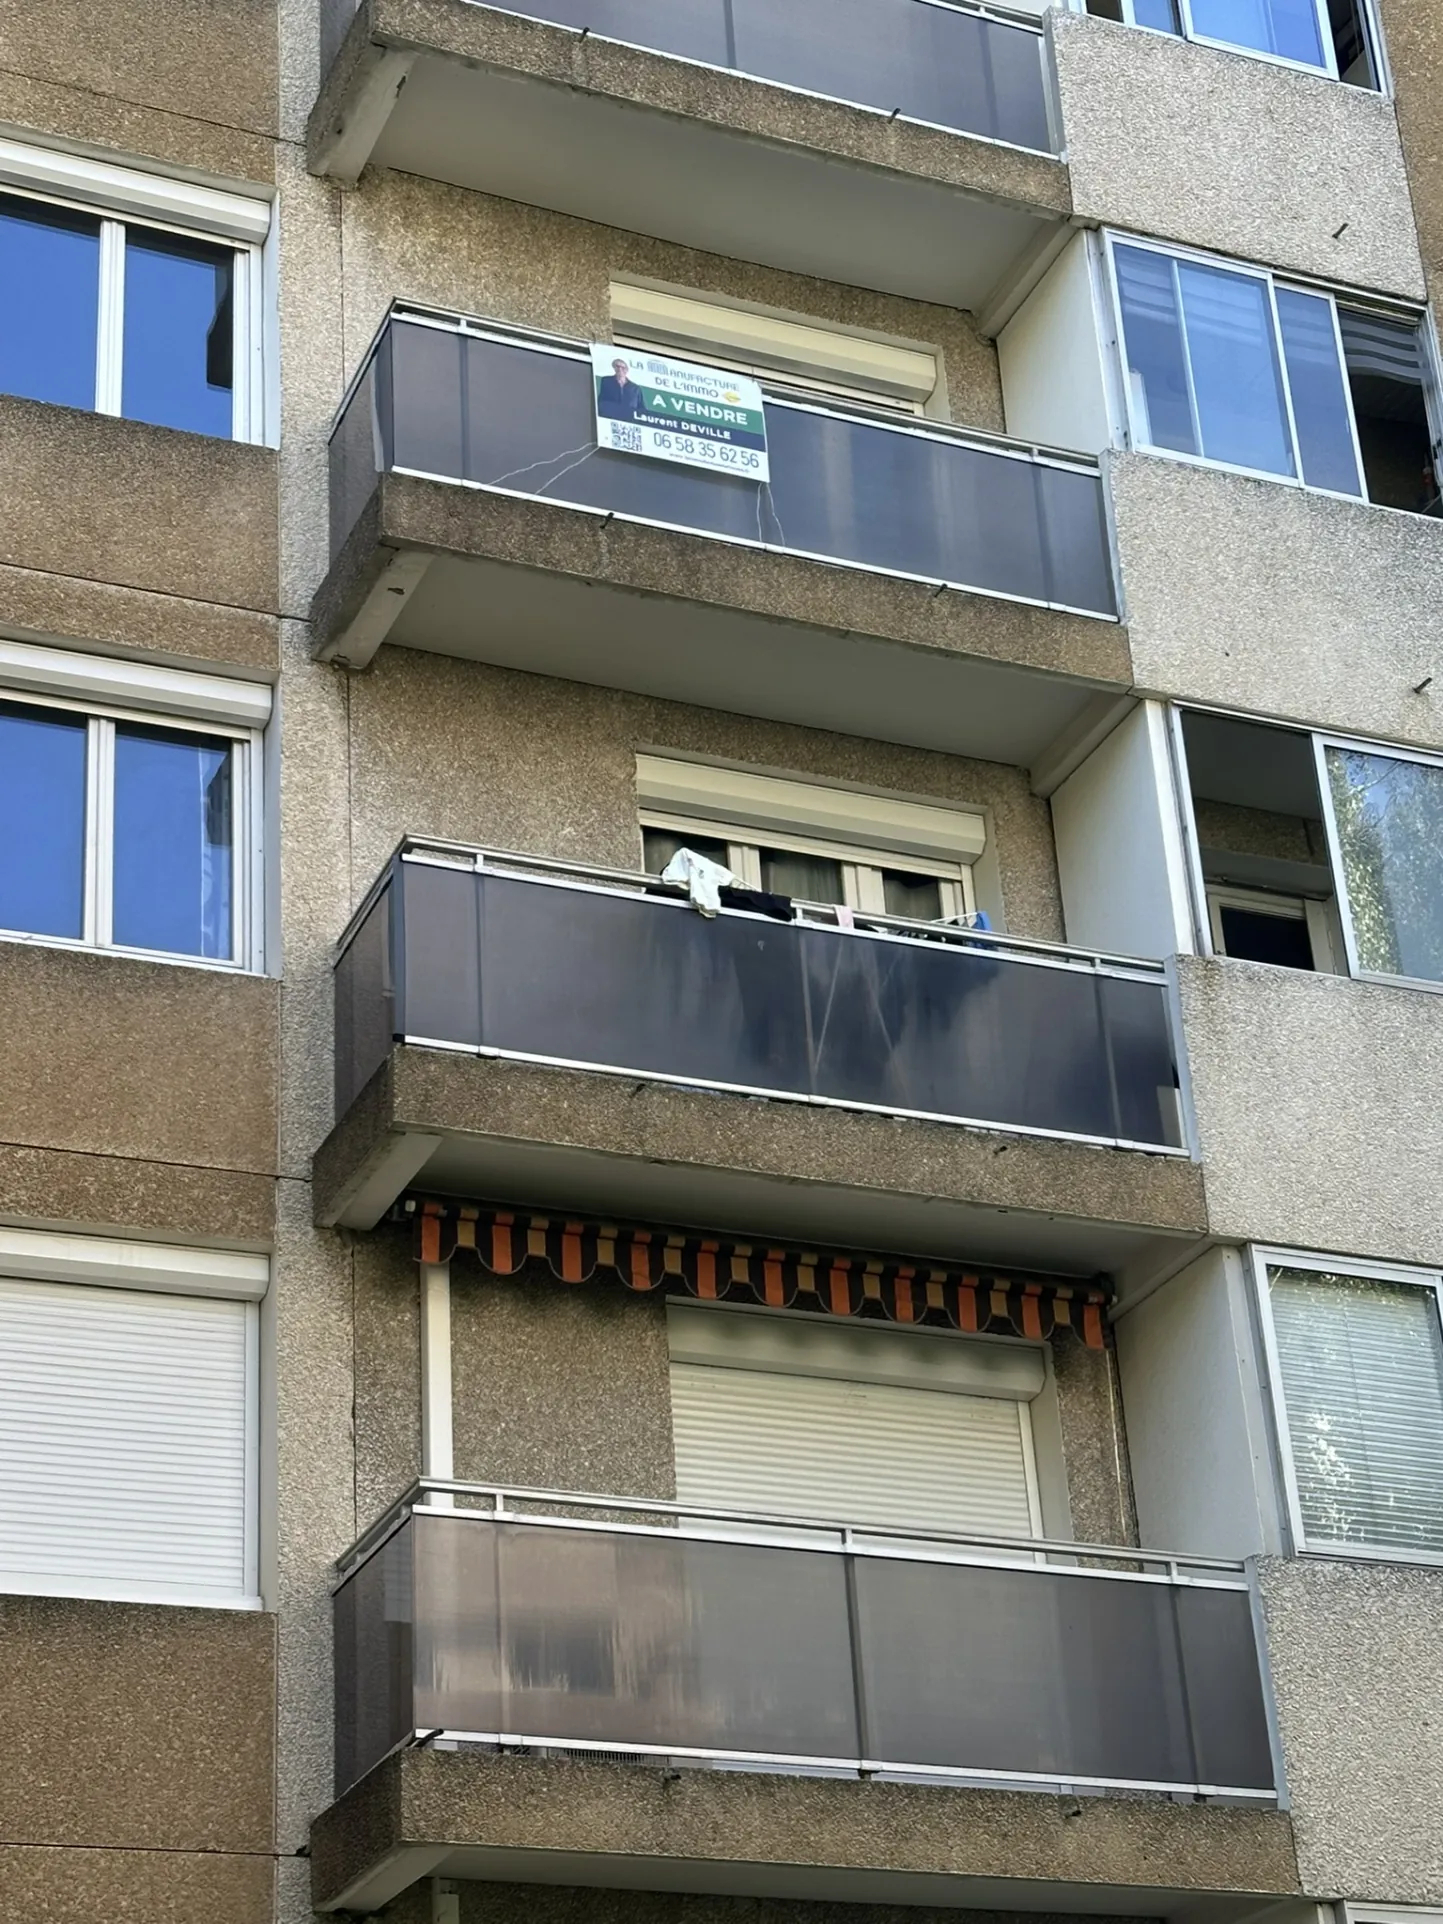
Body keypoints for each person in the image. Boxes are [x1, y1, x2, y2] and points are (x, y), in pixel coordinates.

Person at [596, 356, 644, 421]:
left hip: (629, 420)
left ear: (627, 370)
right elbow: (601, 400)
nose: (620, 369)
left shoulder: (635, 388)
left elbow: (641, 408)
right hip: (609, 418)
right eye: (617, 366)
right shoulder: (606, 381)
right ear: (614, 368)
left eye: (623, 367)